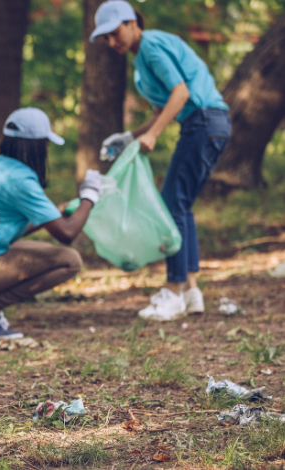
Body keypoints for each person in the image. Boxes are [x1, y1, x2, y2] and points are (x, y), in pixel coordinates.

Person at [91, 0, 231, 321]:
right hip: (209, 124)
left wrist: (153, 135)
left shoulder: (150, 46)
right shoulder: (142, 58)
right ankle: (192, 291)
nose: (113, 42)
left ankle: (172, 291)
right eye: (107, 39)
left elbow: (180, 94)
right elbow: (161, 108)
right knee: (181, 206)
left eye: (115, 33)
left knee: (171, 205)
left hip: (203, 122)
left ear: (131, 23)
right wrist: (131, 136)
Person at [0, 108, 102, 340]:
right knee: (69, 260)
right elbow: (67, 232)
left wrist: (56, 212)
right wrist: (89, 197)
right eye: (46, 144)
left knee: (40, 252)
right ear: (37, 145)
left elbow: (7, 224)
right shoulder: (21, 179)